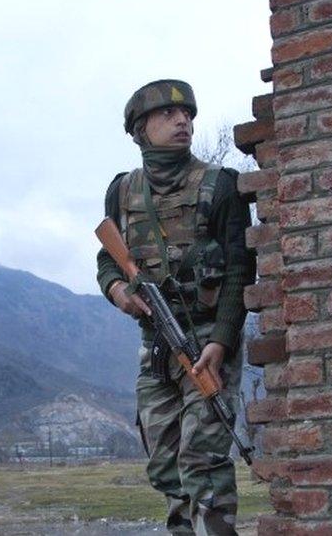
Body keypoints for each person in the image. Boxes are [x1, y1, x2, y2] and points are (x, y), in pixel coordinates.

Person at [96, 79, 255, 535]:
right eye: (168, 115)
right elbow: (110, 256)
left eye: (187, 115)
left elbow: (241, 271)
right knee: (166, 466)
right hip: (155, 346)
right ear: (140, 129)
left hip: (207, 344)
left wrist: (222, 342)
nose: (182, 121)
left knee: (203, 461)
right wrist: (117, 291)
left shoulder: (220, 186)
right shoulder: (123, 192)